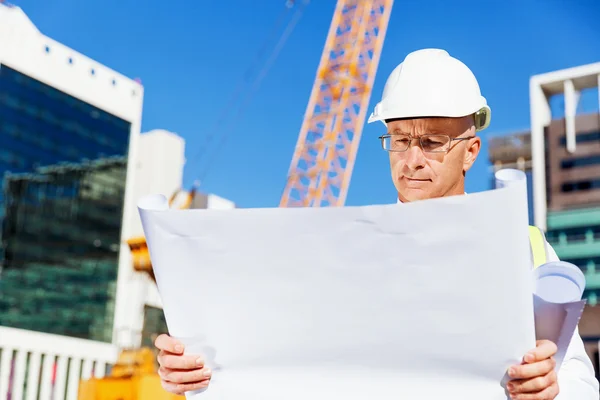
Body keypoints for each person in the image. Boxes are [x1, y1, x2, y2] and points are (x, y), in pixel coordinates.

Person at [153, 49, 600, 399]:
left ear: (470, 150)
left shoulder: (526, 250)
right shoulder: (345, 250)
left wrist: (552, 389)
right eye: (399, 140)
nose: (410, 161)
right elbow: (282, 364)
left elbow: (580, 381)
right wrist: (196, 372)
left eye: (431, 142)